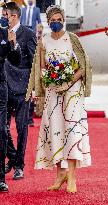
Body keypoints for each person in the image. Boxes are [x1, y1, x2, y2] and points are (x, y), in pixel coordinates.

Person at [26, 5, 92, 193]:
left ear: (63, 19)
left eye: (58, 19)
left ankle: (72, 177)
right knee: (55, 130)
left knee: (71, 130)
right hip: (53, 91)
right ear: (48, 21)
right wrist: (47, 82)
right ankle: (60, 174)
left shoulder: (73, 39)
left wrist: (68, 81)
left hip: (73, 91)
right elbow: (42, 67)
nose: (56, 23)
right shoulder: (43, 41)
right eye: (52, 20)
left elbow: (83, 65)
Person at [3, 2, 37, 180]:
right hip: (5, 88)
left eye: (5, 15)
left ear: (13, 16)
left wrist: (33, 88)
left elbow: (33, 63)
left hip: (23, 87)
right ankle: (14, 158)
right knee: (3, 128)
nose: (3, 18)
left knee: (22, 128)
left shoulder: (29, 34)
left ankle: (19, 166)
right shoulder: (2, 33)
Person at [0, 4, 21, 192]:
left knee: (1, 130)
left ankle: (0, 177)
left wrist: (13, 43)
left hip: (0, 88)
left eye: (6, 15)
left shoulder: (5, 35)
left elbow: (16, 59)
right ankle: (14, 160)